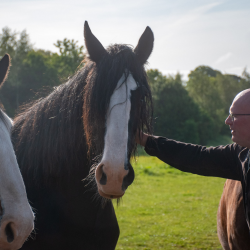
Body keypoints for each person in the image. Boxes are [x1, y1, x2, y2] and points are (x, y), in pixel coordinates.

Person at [136, 88, 250, 230]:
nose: (227, 121)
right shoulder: (242, 154)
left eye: (233, 115)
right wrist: (146, 140)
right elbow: (197, 157)